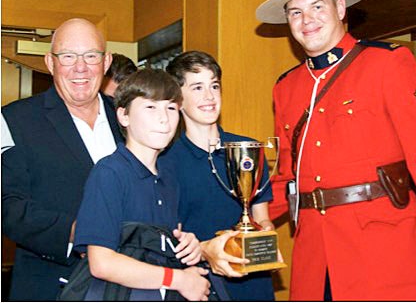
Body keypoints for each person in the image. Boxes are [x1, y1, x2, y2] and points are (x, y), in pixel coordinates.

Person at [255, 0, 416, 301]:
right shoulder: (287, 88)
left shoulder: (386, 63)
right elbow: (287, 177)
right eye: (295, 12)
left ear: (340, 7)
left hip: (385, 254)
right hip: (315, 256)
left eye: (317, 5)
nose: (307, 20)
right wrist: (244, 216)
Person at [2, 18, 123, 301]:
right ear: (50, 62)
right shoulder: (14, 120)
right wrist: (74, 232)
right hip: (50, 286)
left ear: (105, 63)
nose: (80, 67)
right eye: (68, 56)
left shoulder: (129, 117)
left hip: (129, 284)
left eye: (90, 56)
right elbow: (8, 205)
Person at [74, 69, 211, 301]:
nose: (164, 118)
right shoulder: (109, 173)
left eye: (171, 108)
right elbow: (101, 262)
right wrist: (177, 279)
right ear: (123, 116)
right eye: (150, 107)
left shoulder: (168, 175)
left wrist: (186, 244)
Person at [158, 51, 276, 301]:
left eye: (214, 85)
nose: (209, 96)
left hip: (254, 284)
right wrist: (206, 251)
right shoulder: (165, 161)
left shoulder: (248, 150)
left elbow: (262, 219)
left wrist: (264, 242)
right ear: (177, 99)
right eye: (197, 87)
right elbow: (169, 240)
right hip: (200, 287)